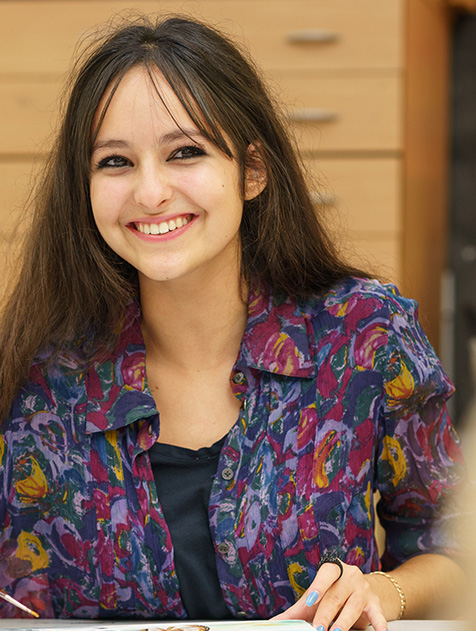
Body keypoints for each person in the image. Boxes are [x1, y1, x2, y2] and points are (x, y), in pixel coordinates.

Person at [0, 13, 467, 628]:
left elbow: (454, 548)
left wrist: (384, 592)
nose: (150, 192)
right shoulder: (37, 368)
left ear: (252, 171)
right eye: (115, 162)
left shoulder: (365, 333)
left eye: (185, 152)